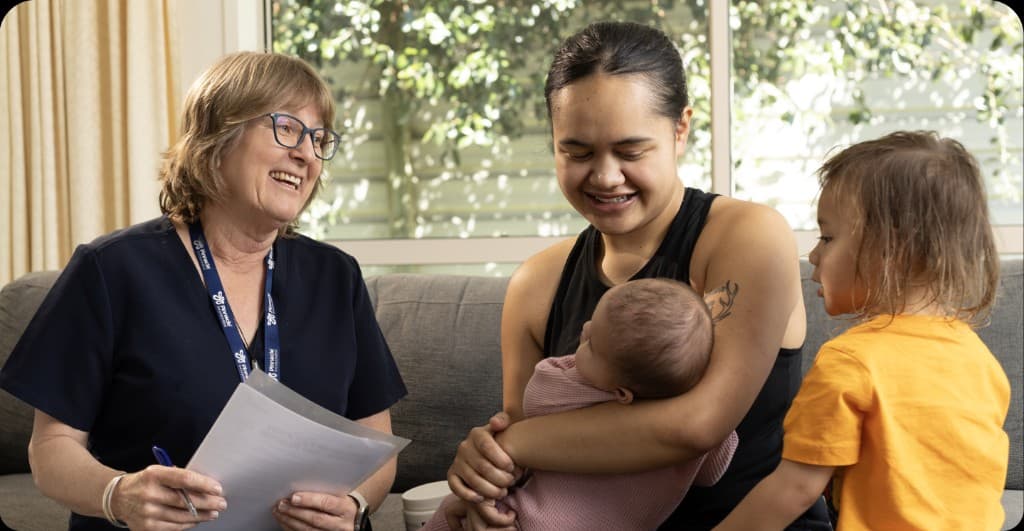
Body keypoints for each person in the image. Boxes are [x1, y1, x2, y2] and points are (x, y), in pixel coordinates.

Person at [444, 20, 831, 531]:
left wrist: (513, 445)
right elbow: (529, 448)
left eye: (630, 151)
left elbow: (698, 424)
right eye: (577, 152)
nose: (605, 176)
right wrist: (487, 468)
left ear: (680, 129)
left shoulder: (747, 235)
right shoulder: (536, 285)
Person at [0, 51, 407, 531]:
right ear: (218, 136)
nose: (307, 154)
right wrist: (117, 495)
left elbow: (375, 441)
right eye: (287, 129)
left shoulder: (337, 277)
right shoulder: (110, 270)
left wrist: (356, 503)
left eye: (319, 140)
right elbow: (51, 448)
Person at [713, 130, 1010, 530]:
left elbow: (795, 489)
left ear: (895, 248)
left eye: (827, 237)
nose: (813, 255)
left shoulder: (850, 361)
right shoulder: (981, 361)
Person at [422, 278, 738, 530]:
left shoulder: (573, 390)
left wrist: (572, 367)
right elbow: (713, 472)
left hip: (527, 519)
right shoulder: (699, 434)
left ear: (622, 393)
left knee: (448, 515)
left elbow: (535, 401)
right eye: (592, 322)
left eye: (591, 344)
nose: (584, 329)